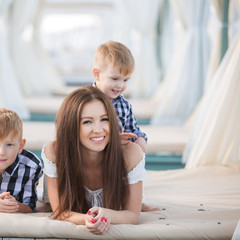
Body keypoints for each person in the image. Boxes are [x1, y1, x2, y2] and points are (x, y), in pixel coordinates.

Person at [42, 86, 146, 235]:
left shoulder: (130, 153)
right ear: (71, 126)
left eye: (104, 119)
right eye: (87, 122)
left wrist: (108, 214)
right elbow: (60, 211)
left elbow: (133, 215)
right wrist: (86, 219)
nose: (98, 129)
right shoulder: (54, 152)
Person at [92, 40, 159, 212]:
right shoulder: (85, 101)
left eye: (126, 80)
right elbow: (75, 131)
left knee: (135, 152)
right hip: (90, 153)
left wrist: (141, 138)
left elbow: (133, 128)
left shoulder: (124, 105)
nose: (120, 85)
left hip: (116, 155)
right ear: (97, 74)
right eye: (114, 78)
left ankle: (135, 200)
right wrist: (111, 138)